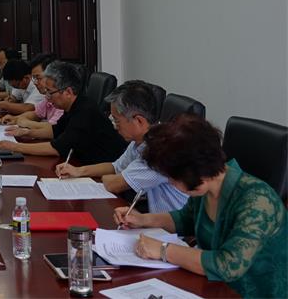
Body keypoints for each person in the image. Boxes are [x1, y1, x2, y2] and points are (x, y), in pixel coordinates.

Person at [115, 114, 287, 298]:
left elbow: (227, 266)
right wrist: (142, 219)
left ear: (197, 174)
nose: (170, 183)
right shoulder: (206, 187)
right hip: (212, 287)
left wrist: (163, 250)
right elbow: (185, 219)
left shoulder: (257, 202)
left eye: (173, 178)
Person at [55, 81, 188, 213]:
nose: (114, 126)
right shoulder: (140, 141)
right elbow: (115, 167)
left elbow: (114, 185)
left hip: (174, 225)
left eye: (117, 120)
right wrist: (78, 171)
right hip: (154, 218)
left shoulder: (159, 150)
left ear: (139, 121)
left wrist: (112, 178)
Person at [0, 61, 126, 164]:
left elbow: (56, 148)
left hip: (103, 170)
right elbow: (55, 130)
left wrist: (15, 147)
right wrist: (27, 132)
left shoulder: (85, 112)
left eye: (50, 92)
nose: (47, 97)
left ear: (68, 92)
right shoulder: (75, 105)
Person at [0, 53, 62, 129]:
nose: (35, 83)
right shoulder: (48, 97)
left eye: (38, 78)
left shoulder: (61, 99)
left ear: (53, 76)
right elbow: (36, 114)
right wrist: (15, 119)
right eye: (34, 78)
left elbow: (53, 128)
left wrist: (25, 123)